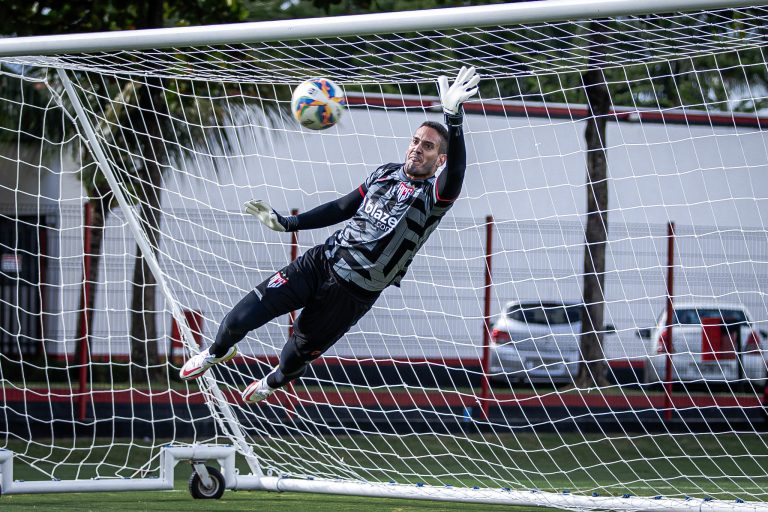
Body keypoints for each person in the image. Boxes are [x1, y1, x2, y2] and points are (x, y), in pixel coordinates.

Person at [179, 66, 481, 403]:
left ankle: (274, 382)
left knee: (292, 359)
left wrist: (453, 119)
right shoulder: (384, 173)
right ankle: (216, 353)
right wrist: (289, 223)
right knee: (238, 319)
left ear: (439, 159)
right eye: (415, 141)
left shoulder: (434, 196)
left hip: (351, 296)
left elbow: (457, 172)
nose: (416, 149)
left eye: (427, 146)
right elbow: (342, 208)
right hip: (320, 262)